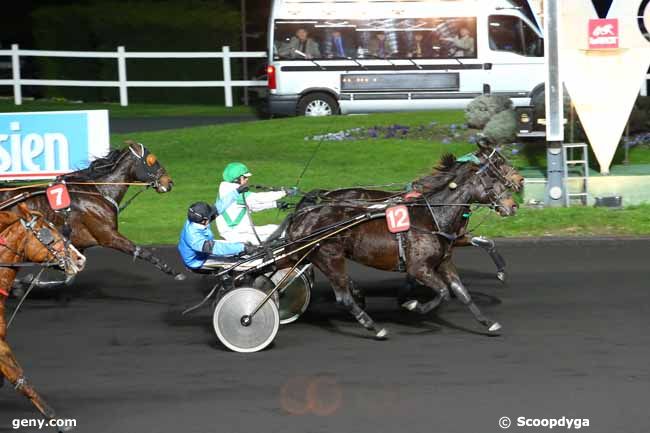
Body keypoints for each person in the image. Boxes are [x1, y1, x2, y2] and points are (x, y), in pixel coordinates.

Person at [216, 162, 291, 245]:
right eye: (245, 177)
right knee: (283, 232)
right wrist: (284, 193)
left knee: (275, 229)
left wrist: (275, 204)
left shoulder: (226, 189)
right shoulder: (235, 193)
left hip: (237, 230)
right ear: (237, 179)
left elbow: (251, 206)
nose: (247, 179)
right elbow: (258, 198)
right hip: (237, 233)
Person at [178, 197, 256, 270]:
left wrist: (236, 192)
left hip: (204, 251)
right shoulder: (194, 238)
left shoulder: (196, 220)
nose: (211, 215)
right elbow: (217, 248)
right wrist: (243, 248)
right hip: (197, 262)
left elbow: (218, 207)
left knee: (236, 245)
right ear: (204, 220)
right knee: (240, 263)